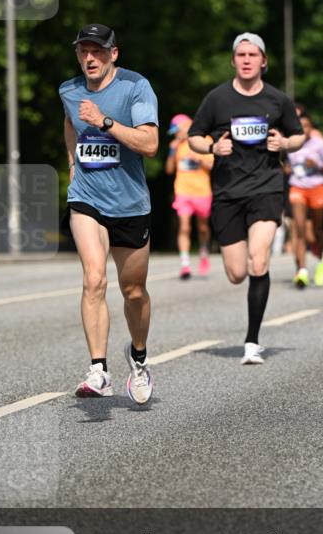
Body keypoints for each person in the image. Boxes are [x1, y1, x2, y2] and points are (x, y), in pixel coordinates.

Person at [188, 33, 304, 365]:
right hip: (227, 192)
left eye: (253, 54)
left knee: (259, 260)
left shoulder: (277, 100)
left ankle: (252, 341)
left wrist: (283, 143)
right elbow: (193, 136)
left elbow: (298, 136)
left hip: (267, 187)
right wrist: (212, 147)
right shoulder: (217, 99)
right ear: (234, 60)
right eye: (241, 54)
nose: (247, 59)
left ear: (264, 61)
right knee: (237, 273)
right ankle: (251, 331)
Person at [59, 24, 158, 402]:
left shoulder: (136, 87)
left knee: (133, 291)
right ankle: (98, 370)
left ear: (113, 53)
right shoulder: (69, 90)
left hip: (131, 205)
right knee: (94, 279)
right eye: (83, 51)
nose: (89, 58)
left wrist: (105, 122)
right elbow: (70, 122)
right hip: (86, 198)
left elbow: (149, 144)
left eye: (97, 51)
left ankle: (139, 356)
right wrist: (72, 163)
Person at [284, 111, 323, 288]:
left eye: (306, 126)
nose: (303, 130)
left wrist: (318, 165)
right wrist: (287, 169)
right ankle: (302, 271)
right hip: (297, 187)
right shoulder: (290, 143)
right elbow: (284, 165)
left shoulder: (319, 144)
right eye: (300, 126)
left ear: (311, 127)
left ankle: (321, 261)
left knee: (317, 229)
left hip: (317, 187)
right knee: (298, 228)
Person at [165, 113, 213, 279]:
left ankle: (204, 252)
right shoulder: (177, 145)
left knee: (203, 228)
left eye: (177, 131)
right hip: (182, 192)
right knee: (184, 226)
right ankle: (185, 264)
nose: (176, 134)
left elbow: (212, 165)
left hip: (202, 192)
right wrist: (172, 150)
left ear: (186, 127)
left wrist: (198, 159)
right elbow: (169, 170)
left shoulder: (203, 140)